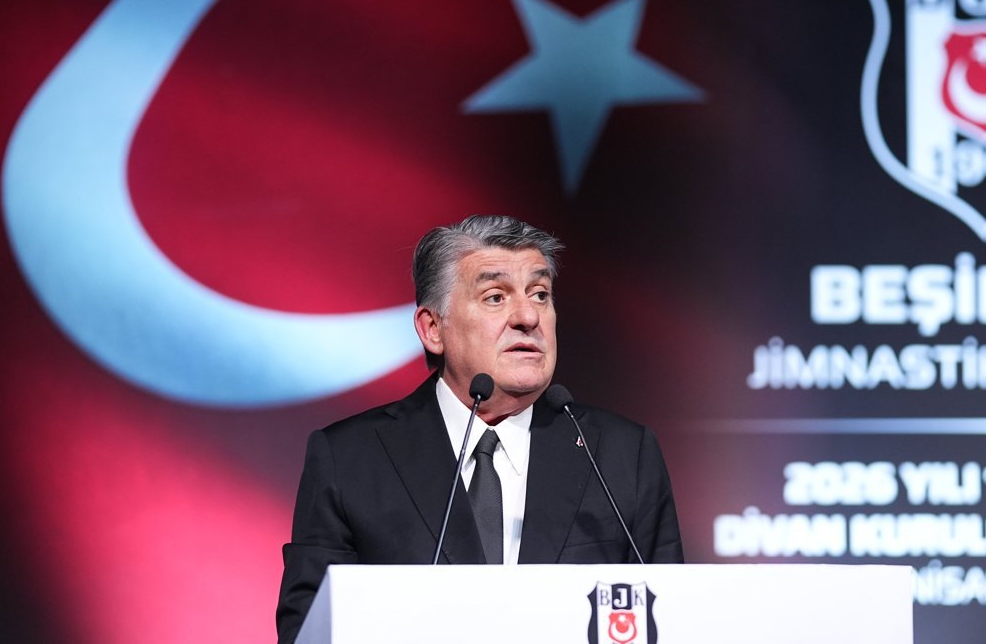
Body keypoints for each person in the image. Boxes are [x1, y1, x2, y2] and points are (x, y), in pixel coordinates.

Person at [275, 214, 683, 643]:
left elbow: (674, 620)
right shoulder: (350, 460)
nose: (528, 316)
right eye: (495, 297)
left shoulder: (622, 456)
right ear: (433, 329)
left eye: (540, 294)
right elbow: (308, 630)